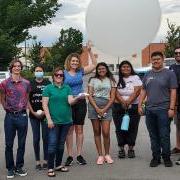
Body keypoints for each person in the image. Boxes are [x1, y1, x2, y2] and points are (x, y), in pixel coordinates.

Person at [42, 67, 85, 177]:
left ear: (63, 77)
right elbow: (45, 105)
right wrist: (49, 119)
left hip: (66, 121)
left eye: (61, 75)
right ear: (53, 76)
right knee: (52, 144)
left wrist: (78, 97)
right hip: (53, 122)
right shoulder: (48, 88)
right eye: (57, 75)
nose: (59, 76)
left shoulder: (67, 88)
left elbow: (70, 102)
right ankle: (50, 167)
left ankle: (58, 165)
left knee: (61, 145)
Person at [138, 51, 177, 167]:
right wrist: (140, 105)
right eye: (153, 59)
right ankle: (156, 157)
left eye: (158, 59)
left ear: (163, 59)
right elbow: (143, 90)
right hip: (149, 110)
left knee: (164, 135)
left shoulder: (169, 73)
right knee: (153, 135)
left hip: (164, 110)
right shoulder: (148, 74)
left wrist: (171, 108)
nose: (155, 61)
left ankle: (166, 157)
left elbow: (173, 91)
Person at [64, 46, 97, 166]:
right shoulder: (63, 73)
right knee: (69, 130)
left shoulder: (81, 71)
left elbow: (94, 64)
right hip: (67, 103)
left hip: (80, 103)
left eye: (77, 61)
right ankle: (69, 156)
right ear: (69, 62)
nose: (75, 63)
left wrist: (89, 51)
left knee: (79, 129)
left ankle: (78, 155)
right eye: (73, 61)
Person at [0, 59, 31, 179]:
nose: (17, 68)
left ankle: (19, 167)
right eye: (15, 66)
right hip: (10, 117)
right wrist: (6, 108)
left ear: (21, 68)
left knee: (22, 143)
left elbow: (26, 98)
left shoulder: (26, 83)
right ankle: (10, 168)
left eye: (19, 66)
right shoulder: (4, 83)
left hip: (22, 116)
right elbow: (2, 97)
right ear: (11, 68)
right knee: (8, 144)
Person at [112, 61, 142, 159]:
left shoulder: (135, 77)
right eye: (123, 67)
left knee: (132, 128)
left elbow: (137, 91)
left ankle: (131, 148)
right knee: (120, 128)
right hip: (118, 107)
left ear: (131, 68)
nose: (126, 68)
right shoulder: (116, 78)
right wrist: (122, 102)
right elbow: (114, 91)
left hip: (133, 106)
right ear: (120, 68)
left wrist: (128, 101)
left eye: (128, 67)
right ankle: (121, 148)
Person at [88, 62, 116, 165]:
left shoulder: (112, 80)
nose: (101, 70)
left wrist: (104, 109)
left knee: (106, 132)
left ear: (106, 69)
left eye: (103, 68)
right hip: (93, 106)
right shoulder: (92, 80)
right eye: (99, 69)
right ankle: (100, 155)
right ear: (97, 70)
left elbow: (112, 97)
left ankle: (107, 154)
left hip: (107, 106)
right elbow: (90, 95)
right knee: (96, 131)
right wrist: (96, 108)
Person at [28, 65, 51, 170]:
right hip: (34, 116)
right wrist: (33, 112)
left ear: (43, 72)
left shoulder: (47, 83)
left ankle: (46, 160)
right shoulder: (30, 83)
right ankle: (38, 161)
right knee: (36, 138)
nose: (38, 72)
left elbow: (51, 98)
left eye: (40, 71)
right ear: (34, 72)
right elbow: (27, 99)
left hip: (45, 115)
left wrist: (45, 112)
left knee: (46, 138)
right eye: (37, 71)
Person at [169, 46, 180, 165]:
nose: (177, 55)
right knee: (178, 127)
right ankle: (178, 147)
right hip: (176, 102)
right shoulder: (171, 67)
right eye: (176, 53)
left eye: (179, 53)